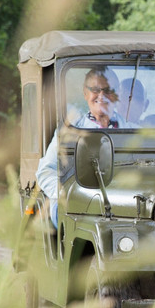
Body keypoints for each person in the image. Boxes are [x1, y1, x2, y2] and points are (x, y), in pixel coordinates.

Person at [35, 67, 136, 227]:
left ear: (117, 96)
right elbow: (45, 171)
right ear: (85, 93)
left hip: (123, 205)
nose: (101, 96)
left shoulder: (134, 130)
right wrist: (65, 194)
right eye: (95, 90)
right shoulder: (68, 131)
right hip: (75, 207)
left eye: (109, 90)